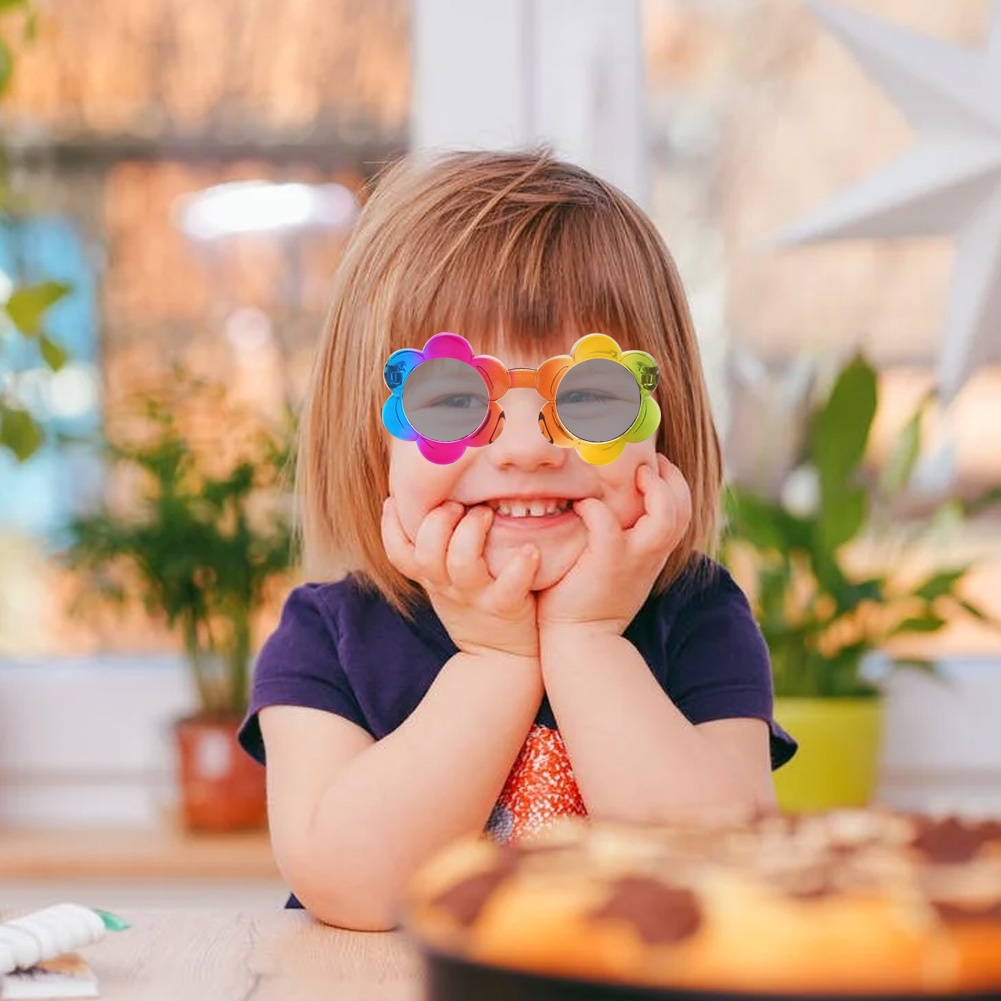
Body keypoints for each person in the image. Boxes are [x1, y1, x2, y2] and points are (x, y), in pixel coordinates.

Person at [238, 149, 797, 931]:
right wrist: (494, 658)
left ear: (662, 428)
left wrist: (588, 640)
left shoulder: (698, 616)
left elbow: (720, 879)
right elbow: (351, 887)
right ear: (369, 441)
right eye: (453, 399)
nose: (527, 447)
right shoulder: (325, 635)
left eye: (591, 397)